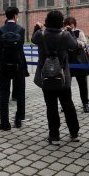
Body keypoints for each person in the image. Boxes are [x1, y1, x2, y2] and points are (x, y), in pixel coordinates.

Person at [33, 11, 81, 144]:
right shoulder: (65, 35)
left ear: (46, 21)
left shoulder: (40, 34)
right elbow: (74, 46)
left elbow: (33, 39)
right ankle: (74, 133)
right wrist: (71, 32)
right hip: (63, 78)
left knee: (51, 106)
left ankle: (54, 135)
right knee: (67, 104)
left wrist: (37, 28)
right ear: (61, 22)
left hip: (46, 76)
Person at [0, 7, 27, 130]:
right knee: (20, 93)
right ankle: (18, 120)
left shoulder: (0, 30)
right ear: (15, 16)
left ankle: (5, 123)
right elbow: (21, 46)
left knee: (4, 94)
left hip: (3, 65)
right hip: (18, 65)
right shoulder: (21, 29)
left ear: (6, 16)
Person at [64, 17, 89, 113]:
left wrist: (75, 42)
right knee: (67, 84)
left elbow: (84, 44)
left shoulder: (79, 32)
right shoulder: (63, 33)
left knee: (83, 84)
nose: (70, 25)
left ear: (74, 24)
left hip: (79, 60)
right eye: (68, 23)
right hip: (68, 60)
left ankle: (85, 103)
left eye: (72, 23)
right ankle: (67, 104)